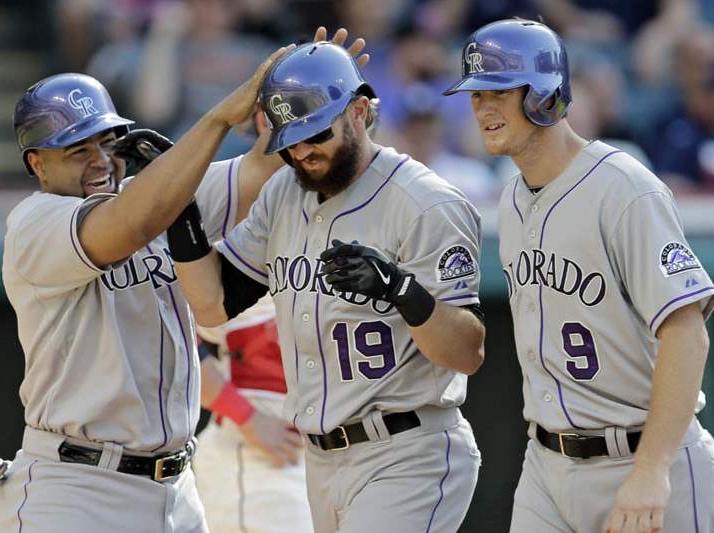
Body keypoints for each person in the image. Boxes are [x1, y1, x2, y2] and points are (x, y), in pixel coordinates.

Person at [0, 44, 290, 532]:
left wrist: (302, 98)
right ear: (38, 164)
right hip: (77, 491)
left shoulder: (153, 198)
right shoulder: (34, 224)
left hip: (176, 490)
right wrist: (219, 118)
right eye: (78, 150)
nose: (100, 161)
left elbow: (261, 173)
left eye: (108, 143)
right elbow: (132, 223)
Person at [169, 41, 486, 533]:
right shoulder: (284, 191)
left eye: (316, 133)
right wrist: (180, 219)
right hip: (319, 460)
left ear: (360, 111)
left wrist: (403, 291)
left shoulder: (425, 202)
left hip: (406, 450)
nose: (302, 151)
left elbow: (467, 352)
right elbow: (212, 305)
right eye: (290, 140)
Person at [444, 19, 714, 533]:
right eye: (475, 94)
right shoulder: (510, 197)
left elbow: (688, 334)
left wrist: (651, 471)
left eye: (498, 92)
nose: (482, 107)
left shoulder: (624, 188)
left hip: (642, 456)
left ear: (544, 94)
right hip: (547, 464)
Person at [192, 295, 313, 533]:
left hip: (327, 465)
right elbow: (160, 329)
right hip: (261, 465)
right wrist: (245, 415)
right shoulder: (232, 263)